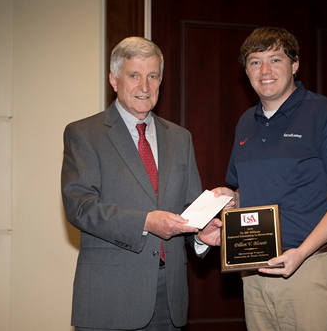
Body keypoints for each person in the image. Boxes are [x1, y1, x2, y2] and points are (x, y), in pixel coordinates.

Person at [61, 36, 222, 331]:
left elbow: (188, 209)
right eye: (134, 75)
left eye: (152, 76)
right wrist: (146, 222)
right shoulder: (84, 134)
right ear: (114, 79)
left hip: (170, 298)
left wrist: (200, 234)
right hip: (111, 297)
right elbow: (80, 207)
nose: (144, 86)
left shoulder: (180, 137)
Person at [213, 27, 327, 330]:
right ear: (246, 71)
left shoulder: (326, 115)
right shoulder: (246, 122)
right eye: (255, 62)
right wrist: (228, 200)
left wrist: (301, 253)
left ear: (294, 65)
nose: (265, 70)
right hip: (255, 272)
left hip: (312, 269)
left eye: (275, 59)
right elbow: (246, 191)